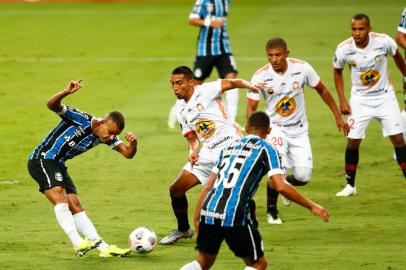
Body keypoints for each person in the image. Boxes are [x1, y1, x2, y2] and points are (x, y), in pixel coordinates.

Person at [179, 111, 330, 270]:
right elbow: (280, 185)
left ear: (246, 127)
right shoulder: (267, 149)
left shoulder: (229, 147)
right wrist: (312, 205)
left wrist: (197, 218)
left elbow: (208, 186)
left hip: (209, 211)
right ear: (269, 131)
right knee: (258, 264)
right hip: (234, 214)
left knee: (203, 262)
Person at [27, 79, 137, 257]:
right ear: (102, 123)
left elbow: (127, 153)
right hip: (43, 159)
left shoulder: (104, 137)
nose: (111, 138)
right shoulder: (81, 119)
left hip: (59, 164)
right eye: (110, 132)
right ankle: (77, 242)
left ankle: (102, 248)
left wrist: (134, 144)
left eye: (114, 135)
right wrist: (65, 92)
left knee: (76, 205)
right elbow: (51, 105)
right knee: (60, 197)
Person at [246, 38, 347, 224]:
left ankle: (286, 186)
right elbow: (252, 106)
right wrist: (251, 131)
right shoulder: (260, 76)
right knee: (277, 171)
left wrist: (337, 116)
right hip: (275, 129)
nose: (274, 59)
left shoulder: (302, 68)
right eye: (270, 56)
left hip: (300, 130)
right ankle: (272, 211)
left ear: (286, 53)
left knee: (303, 176)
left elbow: (322, 90)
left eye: (278, 55)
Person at [160, 66, 261, 245]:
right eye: (172, 84)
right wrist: (192, 150)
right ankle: (183, 229)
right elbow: (191, 136)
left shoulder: (206, 90)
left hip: (231, 147)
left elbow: (231, 82)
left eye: (179, 83)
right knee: (176, 189)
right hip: (207, 153)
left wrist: (249, 85)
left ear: (191, 82)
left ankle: (250, 231)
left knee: (231, 193)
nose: (175, 88)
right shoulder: (181, 111)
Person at [333, 13, 406, 197]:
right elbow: (337, 72)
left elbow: (398, 57)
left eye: (361, 29)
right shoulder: (344, 48)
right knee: (353, 141)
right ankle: (350, 185)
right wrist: (342, 99)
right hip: (359, 100)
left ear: (369, 29)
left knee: (398, 140)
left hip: (385, 97)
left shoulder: (384, 42)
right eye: (354, 29)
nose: (357, 33)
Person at [168, 0, 240, 129]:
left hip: (223, 47)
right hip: (205, 49)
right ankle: (175, 113)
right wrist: (209, 22)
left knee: (231, 78)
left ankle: (232, 121)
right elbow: (192, 19)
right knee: (194, 84)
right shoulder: (203, 1)